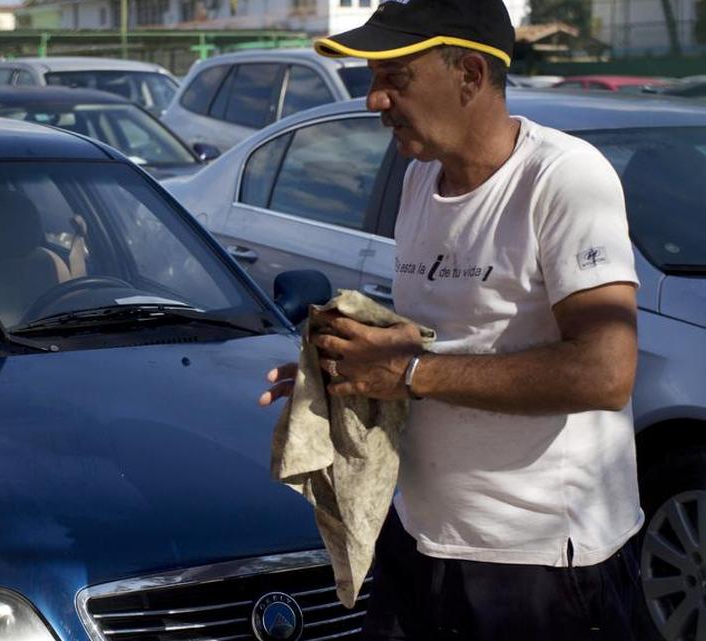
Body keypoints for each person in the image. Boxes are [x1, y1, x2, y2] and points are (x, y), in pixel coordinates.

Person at [259, 1, 643, 638]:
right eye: (372, 79)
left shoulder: (562, 177)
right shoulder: (419, 182)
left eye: (395, 78)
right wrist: (341, 369)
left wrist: (406, 372)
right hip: (423, 540)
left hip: (539, 564)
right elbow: (453, 333)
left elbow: (604, 373)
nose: (373, 100)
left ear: (468, 74)